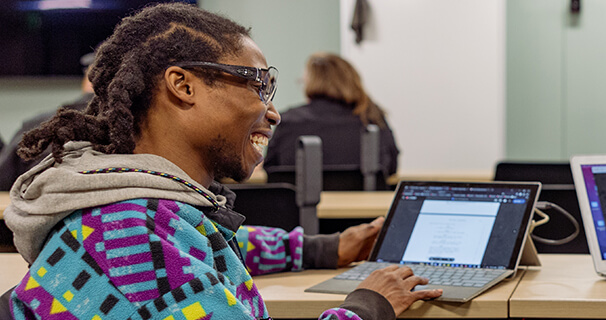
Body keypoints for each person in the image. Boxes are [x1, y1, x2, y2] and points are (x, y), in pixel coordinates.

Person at [3, 4, 439, 319]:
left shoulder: (142, 207)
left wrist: (326, 247)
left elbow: (204, 243)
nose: (273, 111)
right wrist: (368, 305)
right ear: (183, 86)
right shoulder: (129, 229)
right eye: (257, 84)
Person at [263, 52, 399, 188]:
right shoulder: (372, 118)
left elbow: (271, 171)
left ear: (312, 84)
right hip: (362, 207)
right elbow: (392, 168)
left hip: (297, 207)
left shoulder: (288, 121)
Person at [0, 55, 95, 191]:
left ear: (90, 78)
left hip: (42, 208)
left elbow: (3, 178)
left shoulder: (41, 125)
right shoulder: (132, 131)